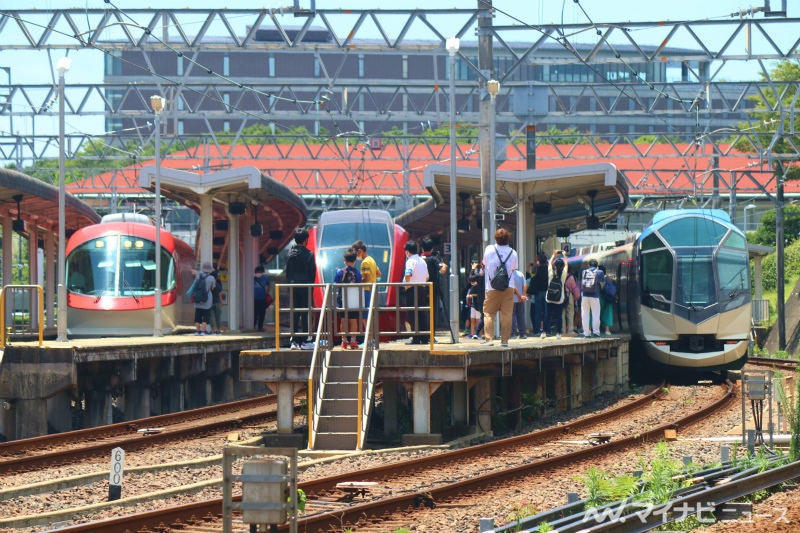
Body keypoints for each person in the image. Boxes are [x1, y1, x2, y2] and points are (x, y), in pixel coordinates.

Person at [481, 227, 519, 347]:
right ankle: (504, 341)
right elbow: (514, 268)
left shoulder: (489, 249)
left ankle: (489, 340)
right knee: (507, 314)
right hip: (508, 287)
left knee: (489, 313)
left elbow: (484, 263)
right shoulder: (513, 252)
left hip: (492, 287)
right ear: (508, 239)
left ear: (495, 238)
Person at [285, 228, 317, 350]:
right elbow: (312, 273)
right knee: (305, 314)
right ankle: (305, 341)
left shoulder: (290, 254)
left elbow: (288, 273)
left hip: (293, 287)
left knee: (294, 313)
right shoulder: (309, 255)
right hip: (305, 288)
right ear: (305, 240)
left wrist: (290, 286)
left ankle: (293, 341)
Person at [352, 240, 381, 343]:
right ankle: (371, 339)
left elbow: (366, 278)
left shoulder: (364, 262)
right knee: (368, 315)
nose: (356, 256)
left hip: (366, 290)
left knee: (365, 316)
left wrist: (357, 280)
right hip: (372, 289)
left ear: (360, 251)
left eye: (356, 253)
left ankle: (369, 340)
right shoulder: (371, 260)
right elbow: (378, 273)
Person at [334, 248, 363, 349]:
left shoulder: (340, 272)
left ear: (344, 260)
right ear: (355, 260)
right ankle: (353, 341)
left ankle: (344, 341)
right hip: (354, 299)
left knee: (343, 320)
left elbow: (336, 284)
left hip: (342, 299)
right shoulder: (358, 273)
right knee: (353, 320)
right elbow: (359, 283)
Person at [402, 240, 429, 344]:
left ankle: (416, 338)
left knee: (412, 314)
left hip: (412, 289)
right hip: (422, 289)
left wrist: (407, 285)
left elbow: (408, 274)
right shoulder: (422, 261)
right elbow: (427, 277)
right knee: (422, 313)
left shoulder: (410, 261)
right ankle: (424, 338)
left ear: (407, 251)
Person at [420, 237, 448, 328]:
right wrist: (444, 264)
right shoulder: (434, 259)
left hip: (419, 289)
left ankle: (421, 333)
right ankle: (431, 335)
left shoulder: (419, 258)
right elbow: (442, 271)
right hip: (432, 289)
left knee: (420, 311)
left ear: (422, 248)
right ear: (432, 249)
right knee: (432, 312)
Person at [544, 250, 568, 339]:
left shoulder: (551, 273)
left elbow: (549, 263)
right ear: (562, 267)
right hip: (559, 299)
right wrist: (564, 255)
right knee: (559, 316)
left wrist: (554, 255)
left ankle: (544, 332)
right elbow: (566, 265)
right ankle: (558, 333)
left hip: (549, 298)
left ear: (555, 266)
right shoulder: (563, 275)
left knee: (547, 315)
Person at [580, 258, 605, 338]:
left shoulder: (584, 272)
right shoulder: (600, 272)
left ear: (589, 265)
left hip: (584, 296)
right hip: (594, 296)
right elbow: (602, 284)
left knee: (585, 315)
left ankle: (586, 333)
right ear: (597, 266)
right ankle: (596, 332)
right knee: (596, 315)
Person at [526, 252, 548, 337]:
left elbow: (532, 278)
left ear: (539, 261)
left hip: (538, 293)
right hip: (546, 292)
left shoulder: (536, 269)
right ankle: (546, 330)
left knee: (537, 312)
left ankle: (536, 330)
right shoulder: (548, 269)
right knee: (546, 312)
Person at [192, 261, 216, 335]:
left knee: (198, 314)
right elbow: (213, 288)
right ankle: (203, 331)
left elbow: (194, 286)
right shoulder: (211, 278)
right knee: (206, 315)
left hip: (197, 299)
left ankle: (197, 331)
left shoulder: (198, 276)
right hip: (207, 299)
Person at [510, 268, 528, 338]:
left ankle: (513, 333)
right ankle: (523, 333)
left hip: (512, 299)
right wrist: (523, 295)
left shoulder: (509, 274)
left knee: (512, 316)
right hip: (520, 300)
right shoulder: (520, 274)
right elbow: (525, 285)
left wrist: (519, 296)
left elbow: (513, 287)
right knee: (521, 316)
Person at [466, 272, 485, 340]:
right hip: (477, 303)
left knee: (481, 318)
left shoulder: (480, 277)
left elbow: (470, 278)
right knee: (479, 318)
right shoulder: (475, 285)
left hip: (480, 302)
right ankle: (475, 333)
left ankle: (479, 333)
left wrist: (473, 269)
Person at [563, 267, 581, 336]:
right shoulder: (570, 277)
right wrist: (577, 297)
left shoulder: (558, 275)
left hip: (560, 296)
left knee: (562, 313)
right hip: (568, 295)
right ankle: (570, 330)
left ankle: (562, 330)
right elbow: (574, 288)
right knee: (570, 313)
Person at [600, 265, 617, 336]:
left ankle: (594, 329)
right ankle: (607, 330)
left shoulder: (598, 278)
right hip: (609, 298)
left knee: (595, 314)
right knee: (608, 314)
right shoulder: (608, 278)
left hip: (600, 298)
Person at [253, 265, 270, 332]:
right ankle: (253, 326)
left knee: (262, 314)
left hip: (262, 298)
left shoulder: (265, 278)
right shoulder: (253, 278)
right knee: (255, 313)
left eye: (260, 272)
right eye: (258, 272)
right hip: (254, 299)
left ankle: (260, 327)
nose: (259, 273)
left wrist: (266, 292)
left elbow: (268, 285)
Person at [209, 265, 223, 334]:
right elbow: (220, 294)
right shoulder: (218, 283)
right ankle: (218, 330)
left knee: (211, 317)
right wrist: (221, 302)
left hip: (210, 302)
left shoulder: (210, 283)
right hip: (217, 302)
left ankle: (212, 330)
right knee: (218, 317)